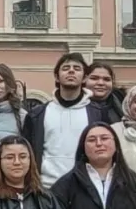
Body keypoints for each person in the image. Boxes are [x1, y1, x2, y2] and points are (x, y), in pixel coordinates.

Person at [25, 53, 112, 188]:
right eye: (66, 68)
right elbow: (27, 151)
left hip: (84, 187)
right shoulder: (37, 114)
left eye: (77, 68)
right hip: (46, 187)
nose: (71, 71)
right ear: (56, 77)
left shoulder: (98, 114)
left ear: (85, 78)